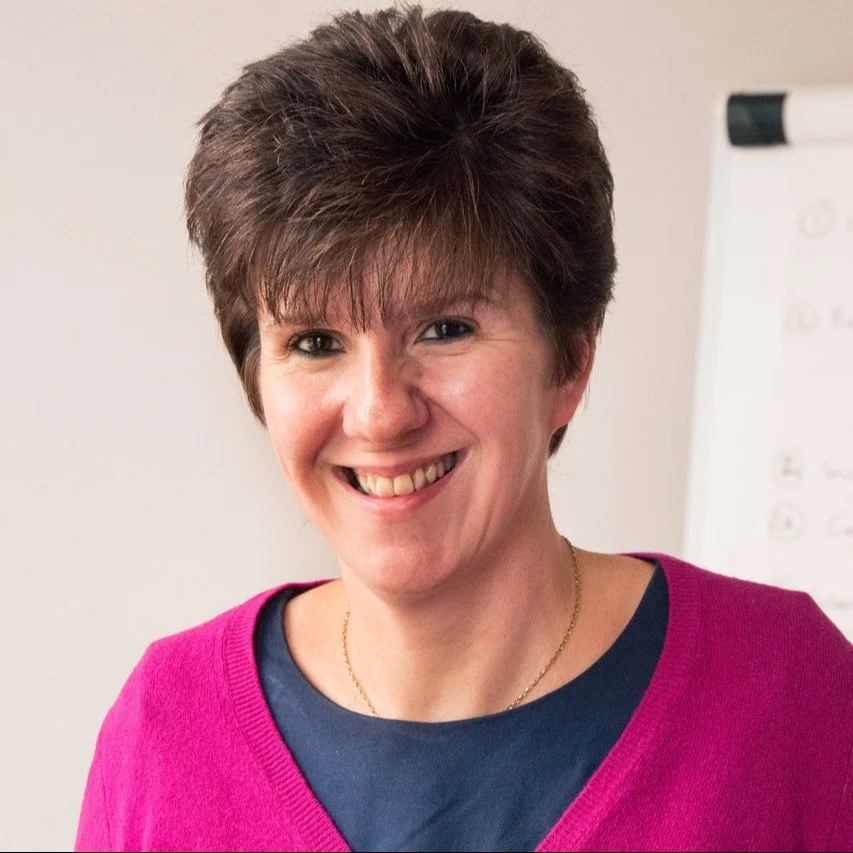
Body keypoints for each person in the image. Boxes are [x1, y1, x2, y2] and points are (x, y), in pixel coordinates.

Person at [74, 6, 852, 852]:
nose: (378, 411)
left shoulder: (785, 693)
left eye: (444, 327)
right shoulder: (166, 727)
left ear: (570, 361)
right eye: (314, 342)